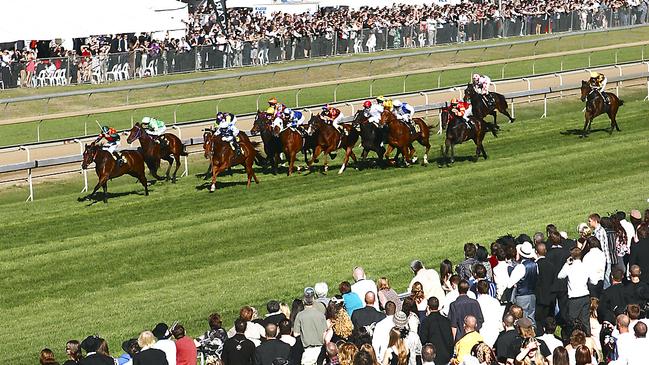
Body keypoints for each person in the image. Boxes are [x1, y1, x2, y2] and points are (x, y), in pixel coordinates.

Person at [557, 247, 593, 336]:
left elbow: (560, 276)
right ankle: (588, 337)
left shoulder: (569, 267)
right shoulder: (586, 266)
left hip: (574, 298)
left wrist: (566, 263)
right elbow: (593, 280)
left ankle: (572, 338)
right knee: (585, 320)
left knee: (572, 321)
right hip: (585, 295)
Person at [294, 287, 327, 365]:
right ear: (314, 299)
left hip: (308, 351)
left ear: (304, 300)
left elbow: (296, 334)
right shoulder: (321, 315)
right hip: (321, 350)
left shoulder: (300, 315)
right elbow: (325, 332)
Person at [508, 241, 538, 326]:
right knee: (531, 319)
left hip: (522, 296)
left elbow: (509, 284)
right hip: (532, 295)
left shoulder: (521, 267)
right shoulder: (535, 265)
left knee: (522, 321)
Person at [475, 280, 504, 347]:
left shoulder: (476, 302)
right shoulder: (495, 301)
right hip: (494, 331)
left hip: (482, 331)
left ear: (477, 289)